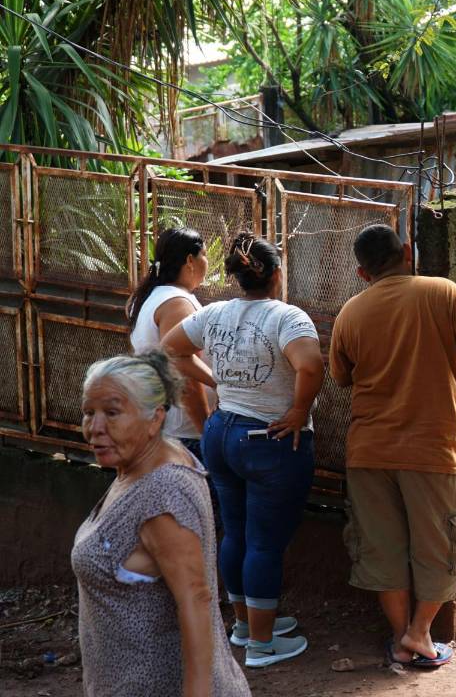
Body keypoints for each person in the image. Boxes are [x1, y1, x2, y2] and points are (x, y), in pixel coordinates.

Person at [329, 225, 456, 668]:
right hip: (434, 451)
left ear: (363, 273)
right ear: (407, 251)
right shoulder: (443, 293)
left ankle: (400, 636)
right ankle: (421, 634)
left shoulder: (350, 312)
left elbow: (342, 377)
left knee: (382, 549)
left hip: (368, 453)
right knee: (443, 547)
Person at [162, 232, 324, 668]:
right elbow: (310, 365)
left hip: (222, 433)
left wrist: (219, 383)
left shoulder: (215, 313)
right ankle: (262, 643)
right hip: (269, 440)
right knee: (265, 544)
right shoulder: (288, 317)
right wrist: (297, 410)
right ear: (276, 274)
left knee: (236, 533)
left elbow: (170, 349)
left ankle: (244, 625)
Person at [72, 351, 250, 697]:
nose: (95, 428)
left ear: (155, 418)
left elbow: (196, 597)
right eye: (88, 413)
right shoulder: (143, 464)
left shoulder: (162, 492)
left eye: (112, 413)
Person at [127, 228, 211, 461]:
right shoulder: (176, 302)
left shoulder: (151, 295)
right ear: (190, 260)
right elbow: (182, 371)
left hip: (166, 424)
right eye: (204, 255)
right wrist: (206, 429)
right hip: (184, 430)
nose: (207, 262)